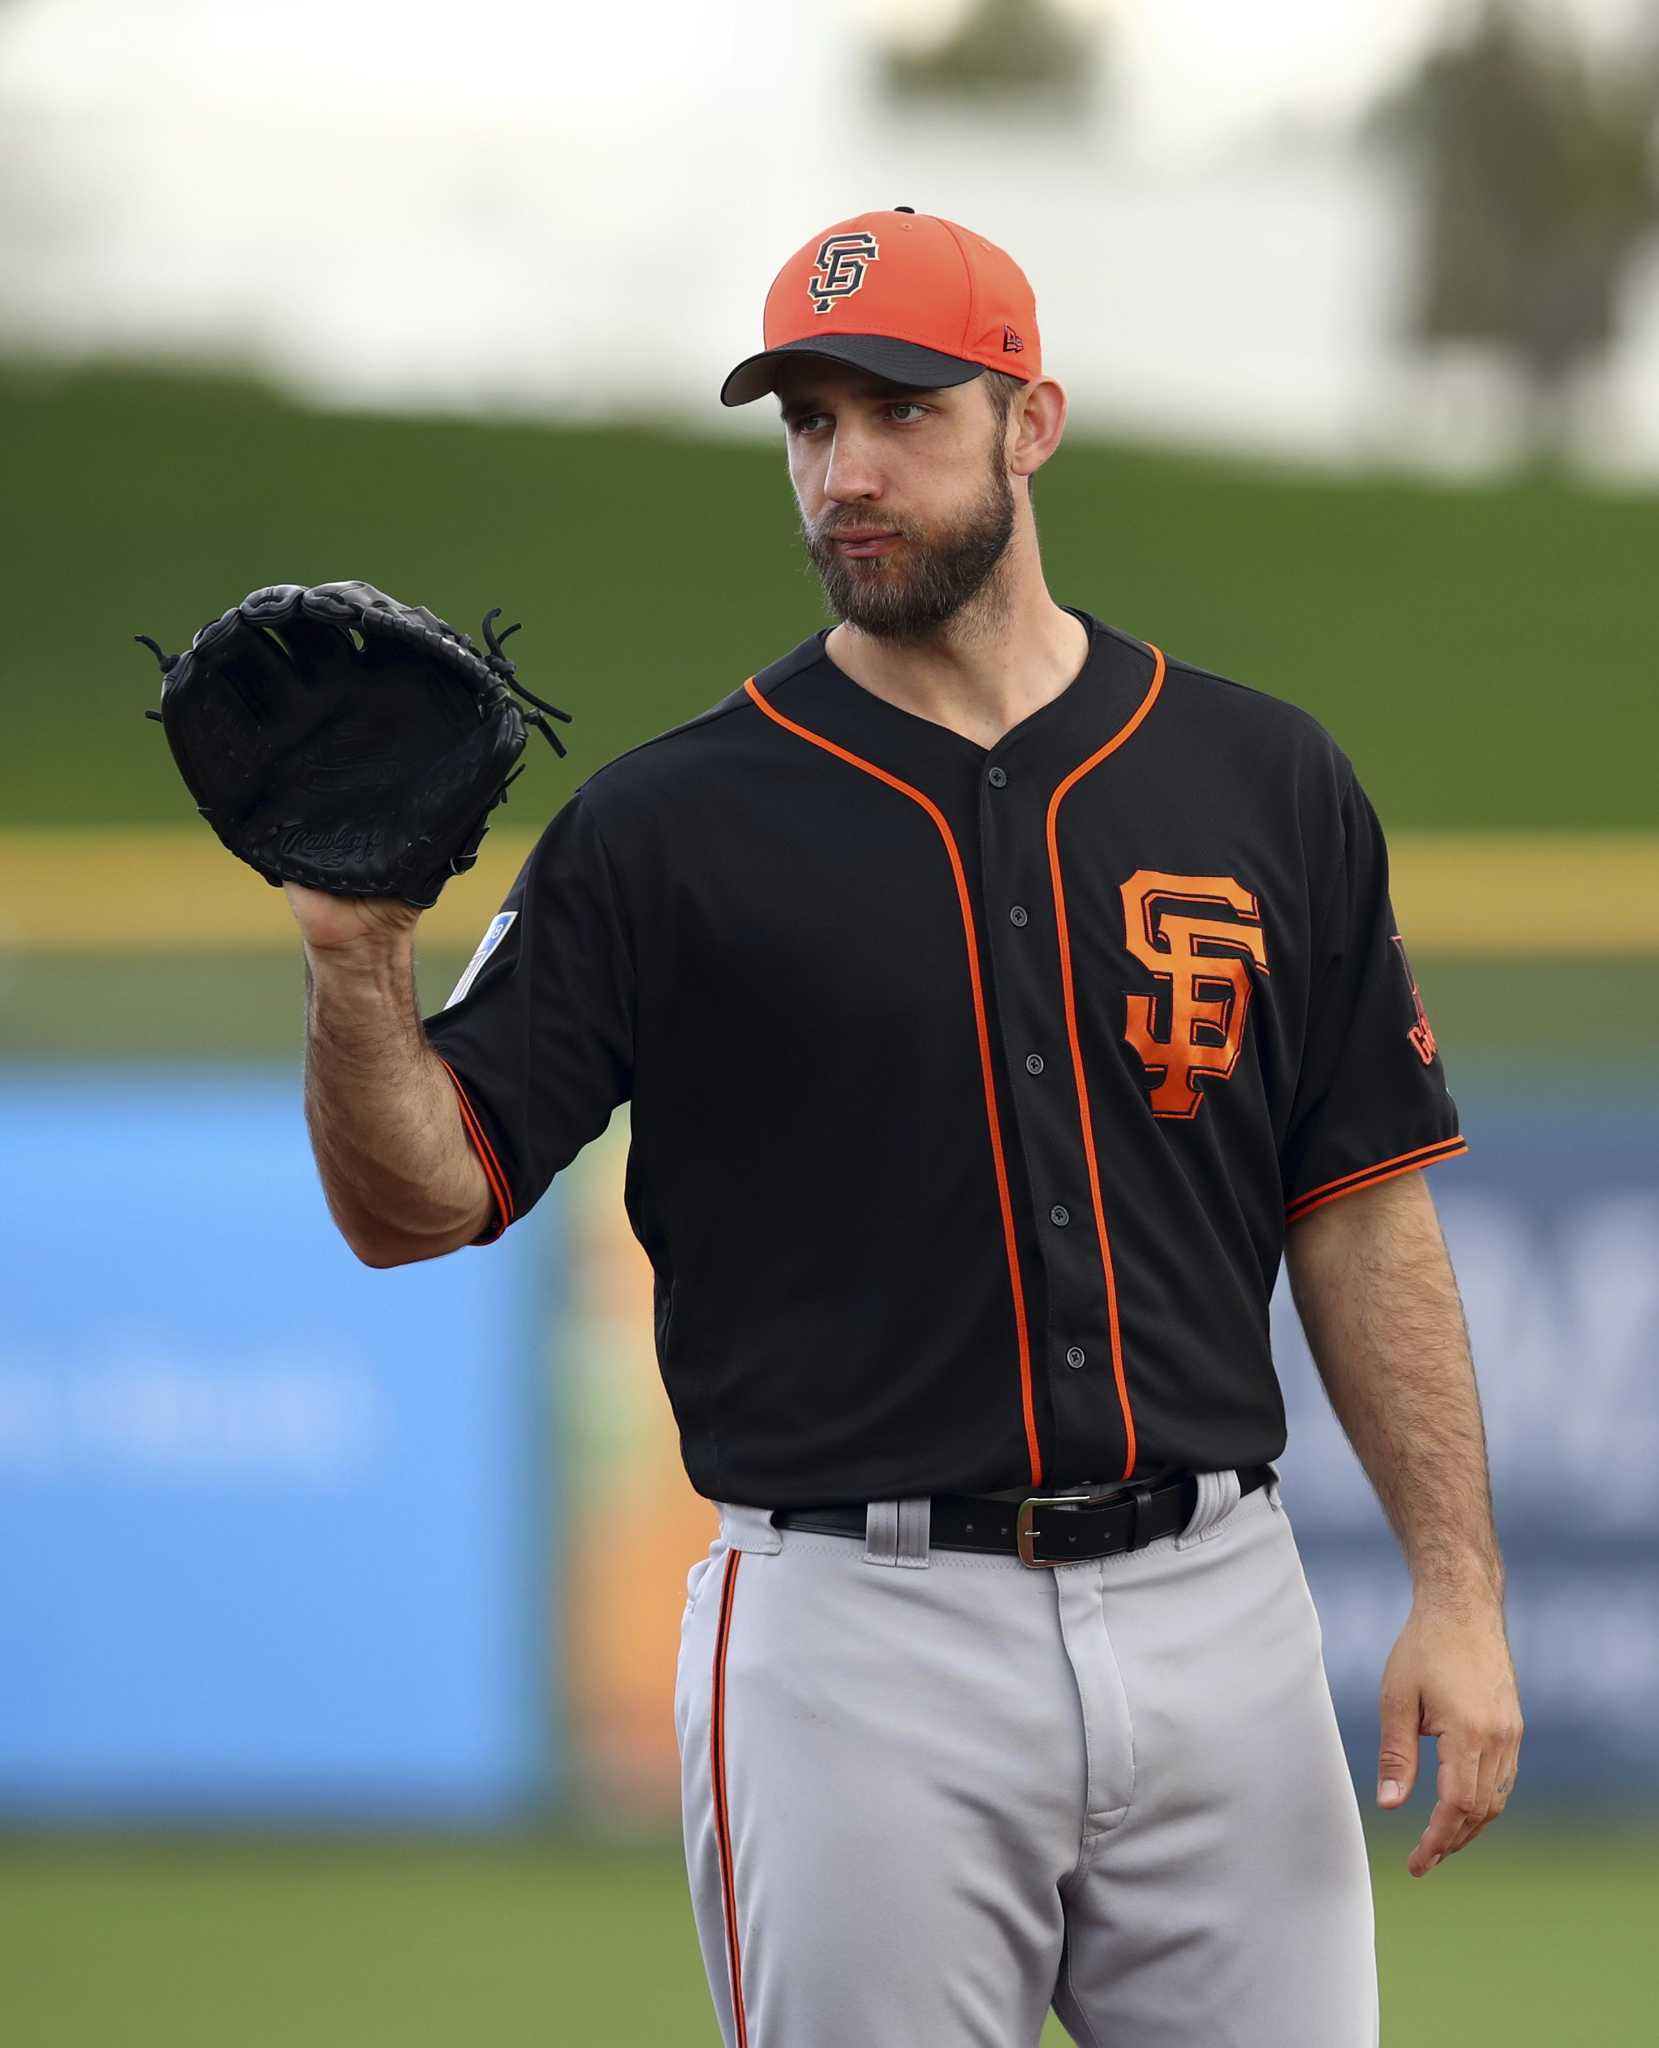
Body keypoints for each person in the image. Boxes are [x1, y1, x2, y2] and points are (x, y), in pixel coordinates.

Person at [285, 208, 1523, 2047]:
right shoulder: (668, 830)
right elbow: (419, 1196)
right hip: (859, 1638)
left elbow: (1359, 1212)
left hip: (1222, 1614)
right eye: (806, 421)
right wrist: (355, 962)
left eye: (900, 412)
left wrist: (1459, 1590)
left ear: (1032, 420)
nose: (844, 471)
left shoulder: (1263, 780)